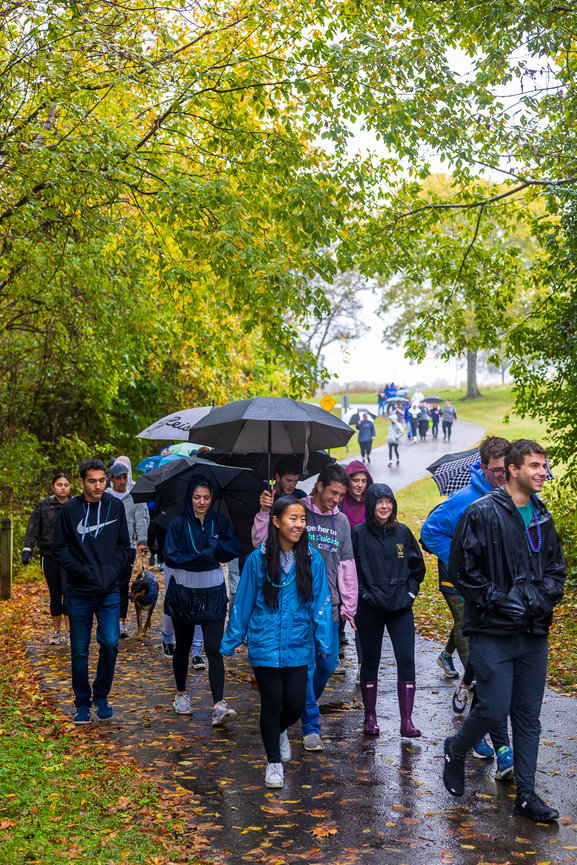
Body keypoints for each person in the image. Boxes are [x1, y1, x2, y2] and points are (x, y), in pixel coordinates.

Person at [443, 440, 566, 823]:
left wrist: (539, 600)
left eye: (544, 466)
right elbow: (463, 571)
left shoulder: (542, 515)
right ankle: (457, 749)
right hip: (492, 631)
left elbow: (555, 572)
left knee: (528, 715)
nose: (543, 472)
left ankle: (526, 796)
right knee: (494, 707)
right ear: (512, 469)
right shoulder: (481, 513)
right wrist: (500, 600)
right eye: (535, 465)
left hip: (533, 633)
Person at [222, 496, 332, 788]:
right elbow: (243, 602)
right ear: (276, 521)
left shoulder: (312, 559)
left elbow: (321, 602)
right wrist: (230, 641)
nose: (298, 525)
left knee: (295, 705)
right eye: (292, 518)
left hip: (298, 643)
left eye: (302, 519)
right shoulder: (257, 559)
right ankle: (273, 763)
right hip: (265, 643)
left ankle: (279, 731)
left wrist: (323, 640)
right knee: (271, 704)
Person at [252, 462, 357, 751]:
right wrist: (265, 512)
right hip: (296, 602)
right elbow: (262, 544)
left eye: (341, 496)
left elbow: (347, 565)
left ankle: (294, 708)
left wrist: (349, 605)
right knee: (307, 667)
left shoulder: (343, 522)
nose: (337, 500)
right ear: (320, 486)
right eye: (333, 493)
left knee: (327, 663)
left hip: (330, 605)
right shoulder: (298, 512)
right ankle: (310, 726)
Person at [421, 436, 512, 768]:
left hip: (491, 588)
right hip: (457, 583)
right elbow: (430, 531)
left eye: (509, 469)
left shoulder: (511, 496)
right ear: (484, 467)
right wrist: (461, 563)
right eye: (498, 471)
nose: (504, 476)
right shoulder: (463, 499)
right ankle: (482, 740)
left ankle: (464, 681)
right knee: (477, 648)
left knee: (481, 647)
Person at [52, 458, 131, 724]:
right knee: (79, 650)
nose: (98, 486)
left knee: (110, 642)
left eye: (102, 480)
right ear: (81, 482)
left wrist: (112, 572)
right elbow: (59, 549)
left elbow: (124, 546)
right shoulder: (69, 511)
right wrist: (83, 571)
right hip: (79, 592)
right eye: (92, 481)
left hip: (108, 591)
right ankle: (82, 703)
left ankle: (102, 696)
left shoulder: (116, 507)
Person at [163, 475, 241, 726]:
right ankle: (181, 694)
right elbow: (172, 556)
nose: (202, 502)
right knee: (183, 646)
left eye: (206, 497)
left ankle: (218, 703)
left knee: (213, 648)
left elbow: (233, 548)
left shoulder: (219, 522)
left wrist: (216, 547)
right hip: (184, 589)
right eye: (197, 497)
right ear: (190, 498)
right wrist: (201, 554)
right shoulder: (177, 523)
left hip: (212, 589)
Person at [352, 483, 425, 737]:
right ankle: (369, 718)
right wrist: (363, 594)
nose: (384, 506)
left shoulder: (403, 533)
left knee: (406, 659)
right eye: (379, 502)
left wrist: (410, 594)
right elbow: (351, 571)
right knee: (370, 660)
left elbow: (418, 569)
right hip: (369, 606)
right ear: (370, 505)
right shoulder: (358, 534)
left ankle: (407, 721)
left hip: (400, 607)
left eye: (388, 501)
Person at [22, 472, 73, 644]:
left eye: (66, 484)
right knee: (55, 593)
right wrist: (27, 551)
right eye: (59, 484)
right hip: (49, 555)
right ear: (52, 487)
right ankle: (57, 632)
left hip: (70, 556)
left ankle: (69, 632)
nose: (63, 487)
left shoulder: (75, 505)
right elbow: (32, 529)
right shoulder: (43, 506)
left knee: (69, 591)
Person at [107, 460, 149, 638]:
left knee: (123, 585)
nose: (122, 481)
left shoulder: (134, 496)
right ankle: (108, 620)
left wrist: (142, 541)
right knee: (109, 584)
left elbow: (141, 518)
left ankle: (121, 622)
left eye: (125, 477)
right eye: (119, 478)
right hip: (107, 547)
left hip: (128, 546)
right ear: (111, 479)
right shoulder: (104, 496)